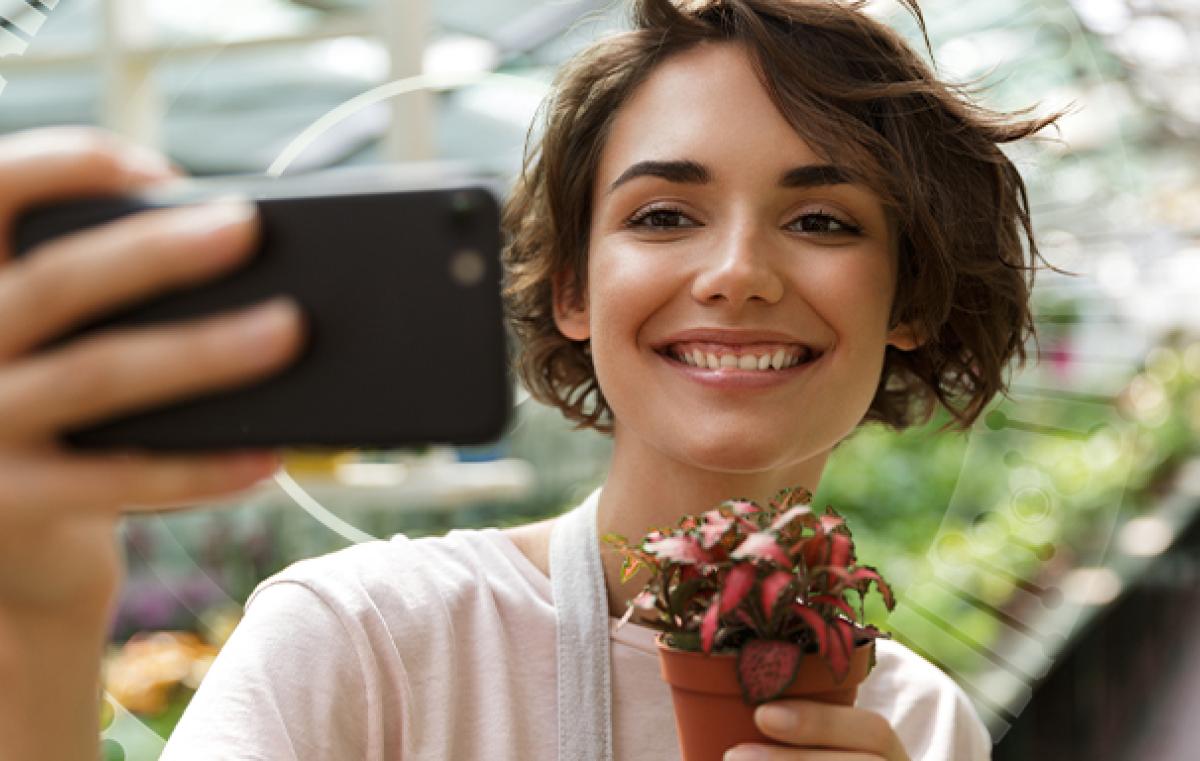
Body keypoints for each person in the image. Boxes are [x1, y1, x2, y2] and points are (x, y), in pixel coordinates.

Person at [0, 0, 1065, 759]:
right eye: (663, 215)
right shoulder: (367, 638)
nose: (737, 272)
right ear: (571, 289)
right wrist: (34, 623)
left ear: (910, 300)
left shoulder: (917, 723)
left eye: (822, 220)